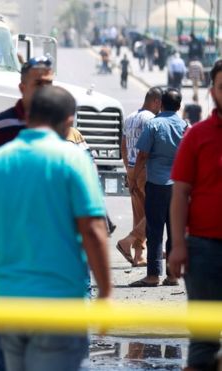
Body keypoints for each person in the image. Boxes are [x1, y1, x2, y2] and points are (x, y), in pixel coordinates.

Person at [0, 86, 111, 371]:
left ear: (28, 116)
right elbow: (93, 230)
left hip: (8, 303)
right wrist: (106, 294)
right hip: (60, 306)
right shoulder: (74, 160)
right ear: (69, 121)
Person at [169, 59, 222, 371]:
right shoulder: (197, 136)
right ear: (213, 92)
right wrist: (177, 245)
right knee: (204, 341)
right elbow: (179, 194)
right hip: (204, 251)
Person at [129, 88, 188, 287]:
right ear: (179, 107)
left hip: (156, 185)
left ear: (160, 103)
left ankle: (153, 275)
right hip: (178, 187)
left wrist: (134, 178)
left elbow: (142, 155)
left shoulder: (154, 125)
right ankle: (172, 275)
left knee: (155, 231)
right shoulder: (185, 126)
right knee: (174, 231)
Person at [117, 87, 162, 268]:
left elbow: (123, 146)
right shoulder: (151, 119)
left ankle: (138, 256)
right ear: (156, 102)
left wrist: (129, 169)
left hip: (132, 168)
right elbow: (150, 148)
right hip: (145, 169)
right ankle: (128, 241)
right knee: (155, 211)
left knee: (140, 213)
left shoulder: (130, 117)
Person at [0, 56, 54, 148]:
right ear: (22, 88)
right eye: (38, 83)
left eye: (48, 83)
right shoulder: (0, 125)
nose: (45, 89)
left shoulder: (59, 121)